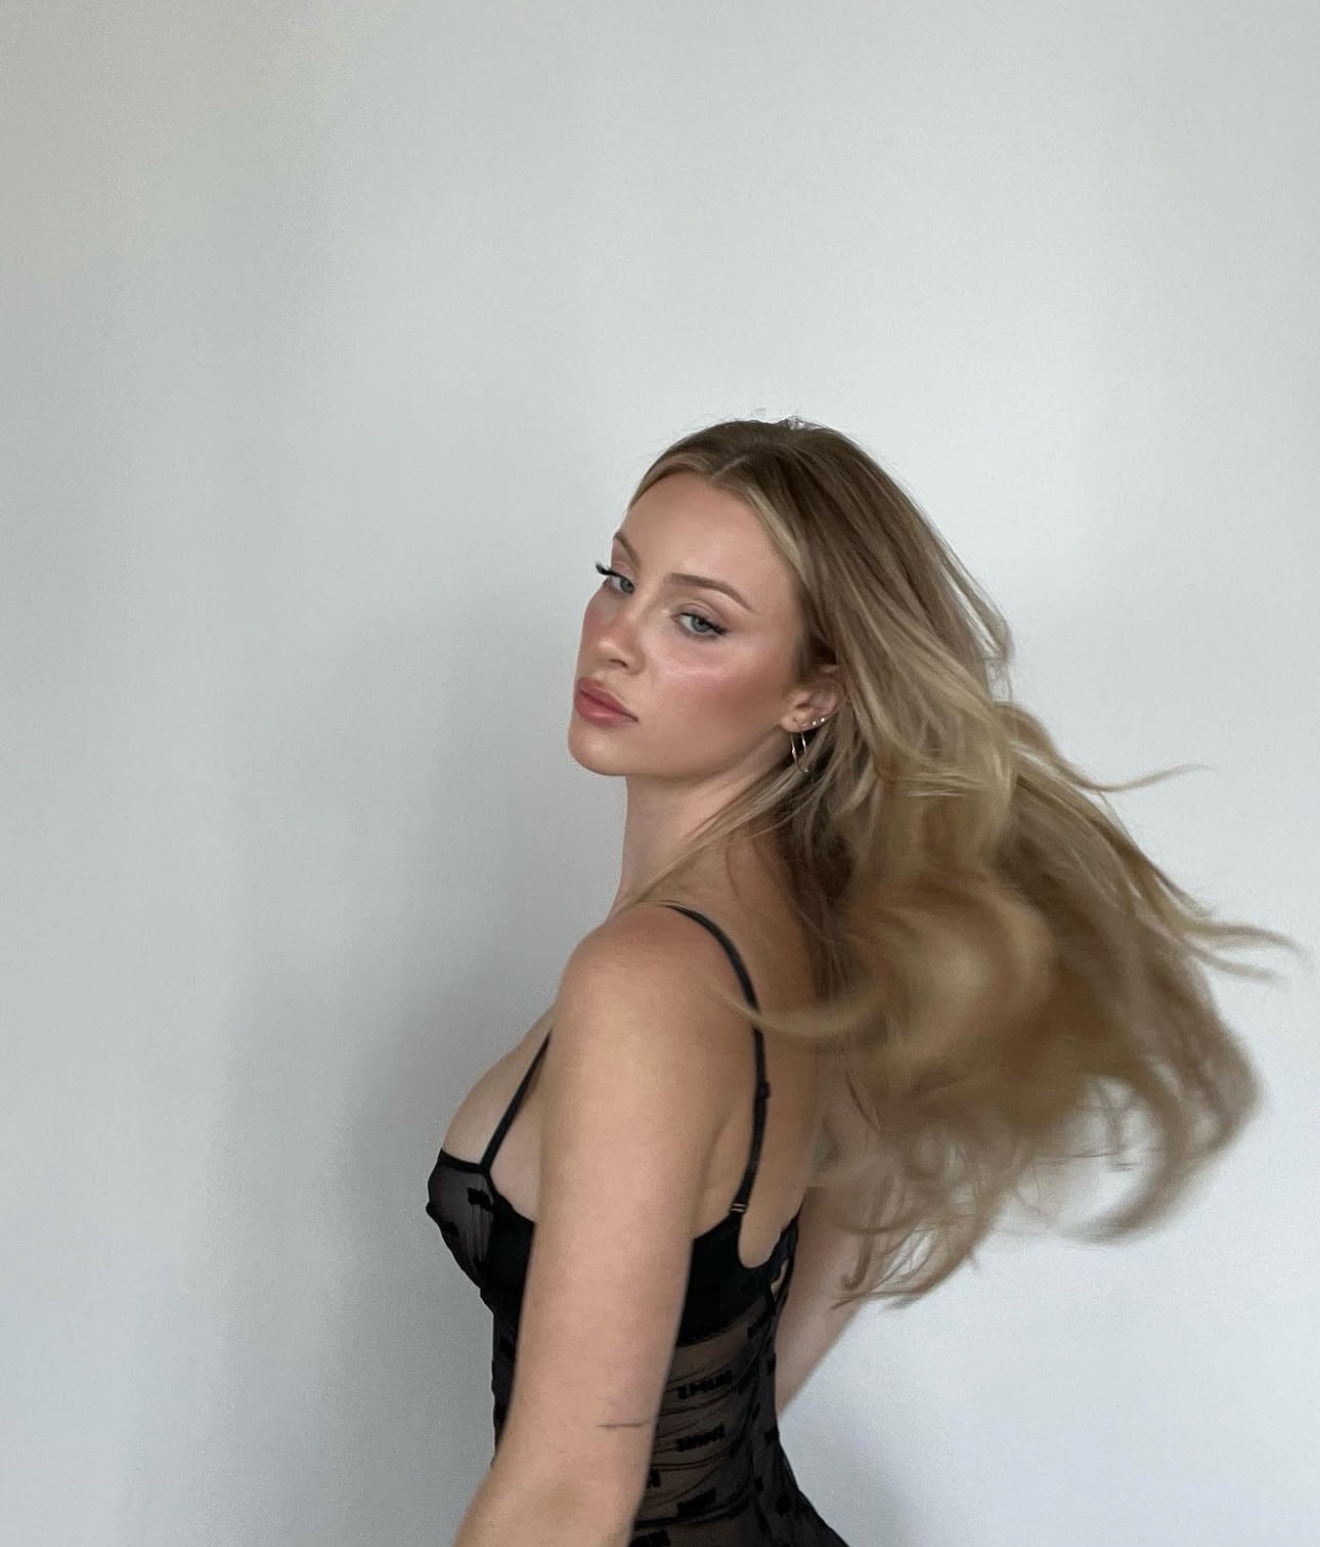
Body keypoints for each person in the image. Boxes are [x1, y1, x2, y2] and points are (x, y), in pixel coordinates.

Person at [426, 416, 1300, 1546]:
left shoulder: (649, 979)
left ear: (814, 692)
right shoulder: (827, 930)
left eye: (698, 619)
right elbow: (858, 1215)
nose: (615, 641)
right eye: (619, 578)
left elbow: (567, 1496)